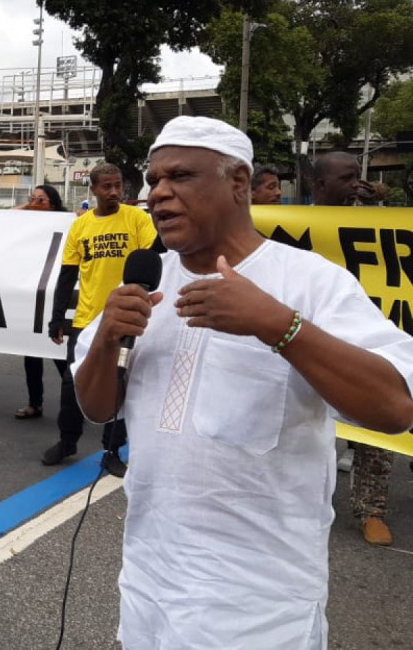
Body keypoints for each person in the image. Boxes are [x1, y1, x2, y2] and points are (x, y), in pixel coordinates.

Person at [73, 115, 413, 649]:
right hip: (150, 589)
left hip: (260, 609)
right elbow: (98, 408)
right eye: (153, 179)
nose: (157, 194)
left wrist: (279, 326)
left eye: (180, 177)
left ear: (237, 183)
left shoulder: (310, 282)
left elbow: (395, 407)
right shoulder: (146, 281)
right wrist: (106, 341)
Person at [44, 162, 157, 476]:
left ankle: (112, 450)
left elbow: (155, 257)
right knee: (72, 386)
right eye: (106, 187)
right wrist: (56, 319)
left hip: (125, 318)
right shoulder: (80, 227)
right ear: (92, 190)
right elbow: (67, 276)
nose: (114, 192)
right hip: (85, 321)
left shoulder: (136, 219)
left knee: (120, 385)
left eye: (118, 185)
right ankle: (67, 441)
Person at [312, 150, 395, 546]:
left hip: (361, 337)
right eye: (346, 179)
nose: (355, 186)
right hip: (310, 341)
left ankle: (370, 509)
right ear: (320, 186)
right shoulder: (296, 228)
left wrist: (377, 200)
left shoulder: (372, 220)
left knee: (372, 431)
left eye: (358, 178)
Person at [15, 184, 71, 419]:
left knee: (61, 355)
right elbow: (6, 217)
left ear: (54, 204)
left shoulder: (65, 224)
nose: (35, 203)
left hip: (56, 297)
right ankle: (34, 403)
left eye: (41, 200)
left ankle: (78, 402)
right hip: (33, 297)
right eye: (33, 199)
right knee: (31, 354)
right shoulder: (28, 225)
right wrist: (30, 205)